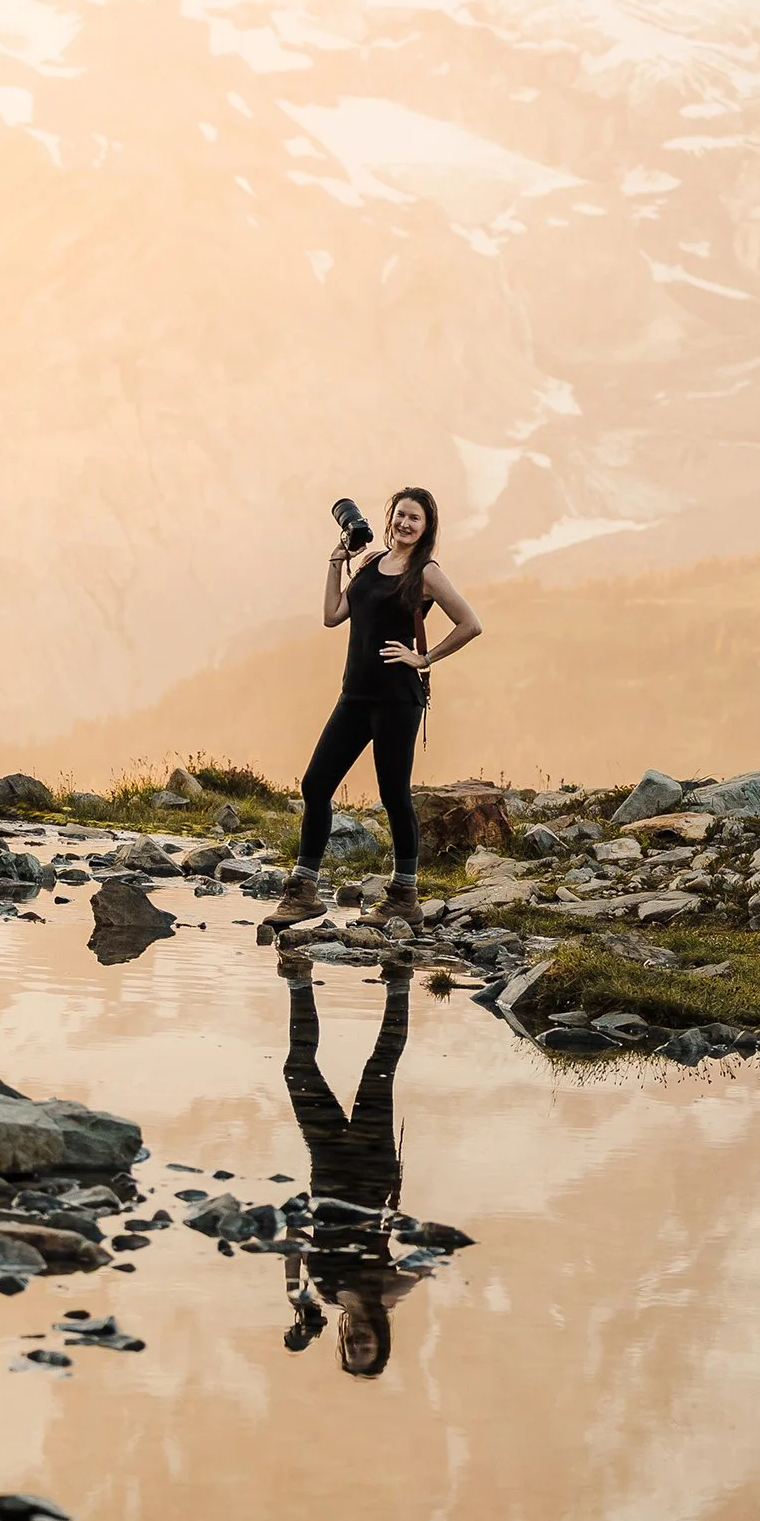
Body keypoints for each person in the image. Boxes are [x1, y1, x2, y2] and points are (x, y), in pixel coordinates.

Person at [265, 485, 481, 931]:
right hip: (355, 694)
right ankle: (303, 893)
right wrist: (336, 562)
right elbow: (332, 615)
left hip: (397, 698)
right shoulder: (369, 562)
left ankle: (404, 897)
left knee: (393, 795)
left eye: (415, 518)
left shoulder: (426, 572)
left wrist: (424, 657)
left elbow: (470, 623)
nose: (405, 523)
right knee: (316, 784)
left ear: (426, 527)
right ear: (390, 518)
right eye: (400, 515)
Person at [280, 968, 416, 1376]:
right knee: (379, 1068)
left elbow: (295, 1237)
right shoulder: (386, 1295)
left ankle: (298, 977)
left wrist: (295, 1293)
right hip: (372, 1169)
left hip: (327, 1167)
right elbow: (427, 1261)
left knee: (297, 1068)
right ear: (380, 1338)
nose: (357, 1340)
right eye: (366, 1345)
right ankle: (399, 981)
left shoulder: (325, 1291)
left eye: (352, 1348)